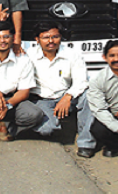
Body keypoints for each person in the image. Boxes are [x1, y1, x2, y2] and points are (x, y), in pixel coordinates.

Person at [27, 21, 96, 158]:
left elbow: (81, 81)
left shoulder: (72, 54)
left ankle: (86, 143)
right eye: (46, 37)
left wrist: (67, 96)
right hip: (42, 99)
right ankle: (49, 123)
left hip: (67, 96)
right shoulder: (28, 55)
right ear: (37, 39)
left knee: (90, 95)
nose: (51, 41)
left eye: (55, 37)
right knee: (47, 130)